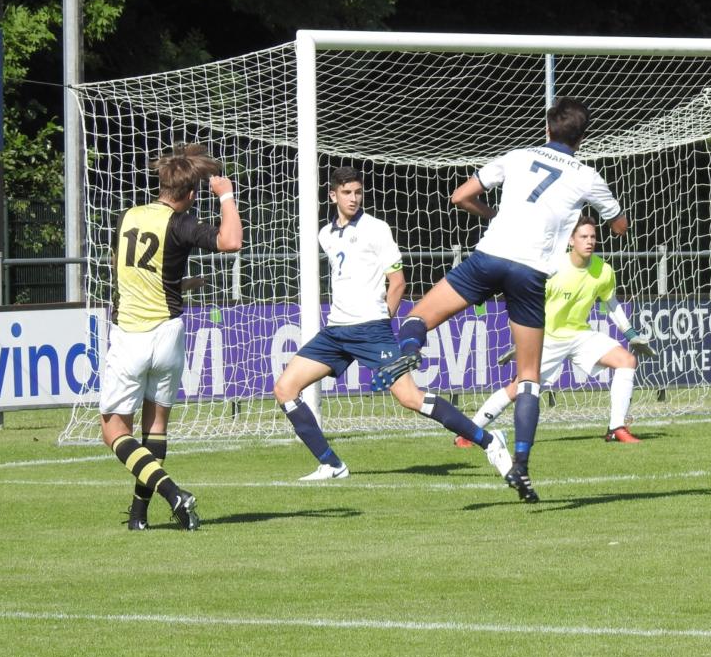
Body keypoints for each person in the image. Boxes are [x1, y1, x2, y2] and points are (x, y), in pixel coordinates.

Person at [373, 96, 627, 503]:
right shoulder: (587, 175)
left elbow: (459, 197)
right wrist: (607, 221)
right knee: (528, 378)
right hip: (529, 275)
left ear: (547, 128)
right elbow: (618, 225)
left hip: (488, 259)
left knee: (415, 319)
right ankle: (521, 464)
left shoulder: (517, 156)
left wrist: (492, 215)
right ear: (583, 137)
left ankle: (410, 351)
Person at [272, 167, 512, 481]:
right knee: (284, 388)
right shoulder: (325, 234)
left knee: (410, 398)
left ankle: (489, 441)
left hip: (372, 329)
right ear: (333, 195)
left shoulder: (376, 228)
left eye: (358, 192)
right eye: (347, 193)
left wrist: (382, 322)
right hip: (335, 332)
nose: (354, 198)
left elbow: (397, 282)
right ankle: (332, 464)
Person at [100, 143, 243, 531]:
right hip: (168, 333)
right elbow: (231, 241)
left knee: (113, 430)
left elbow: (133, 273)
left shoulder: (127, 217)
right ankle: (138, 514)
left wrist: (175, 283)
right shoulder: (182, 225)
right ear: (191, 194)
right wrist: (226, 196)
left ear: (161, 183)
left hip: (131, 333)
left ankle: (172, 493)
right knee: (156, 427)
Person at [468, 214, 654, 444]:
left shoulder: (603, 271)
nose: (589, 241)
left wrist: (631, 335)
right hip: (547, 338)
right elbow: (524, 304)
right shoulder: (552, 269)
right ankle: (469, 432)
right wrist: (522, 342)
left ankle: (616, 427)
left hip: (580, 335)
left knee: (626, 361)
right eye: (583, 236)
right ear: (570, 240)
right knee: (518, 389)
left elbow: (611, 303)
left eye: (593, 236)